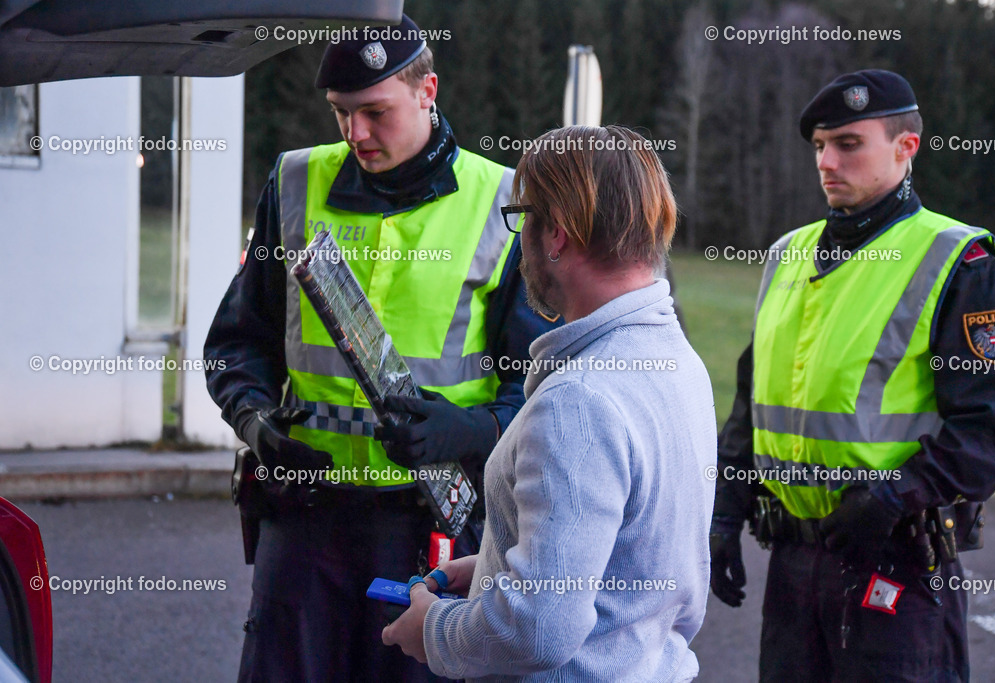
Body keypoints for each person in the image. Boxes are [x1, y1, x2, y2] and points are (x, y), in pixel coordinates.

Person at [204, 14, 558, 681]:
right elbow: (236, 343)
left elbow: (541, 388)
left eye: (374, 111)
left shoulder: (508, 201)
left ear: (429, 89)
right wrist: (255, 422)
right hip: (303, 518)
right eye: (340, 113)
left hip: (431, 525)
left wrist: (476, 429)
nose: (354, 133)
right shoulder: (292, 183)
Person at [710, 69, 995, 681]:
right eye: (820, 145)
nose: (827, 160)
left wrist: (890, 498)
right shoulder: (785, 255)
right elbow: (754, 402)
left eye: (849, 144)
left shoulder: (958, 257)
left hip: (896, 565)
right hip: (793, 568)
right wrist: (726, 512)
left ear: (906, 148)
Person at [381, 125, 718, 680]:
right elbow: (629, 561)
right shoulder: (676, 360)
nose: (520, 243)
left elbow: (537, 629)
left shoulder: (579, 401)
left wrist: (434, 631)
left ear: (556, 235)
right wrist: (495, 567)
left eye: (523, 220)